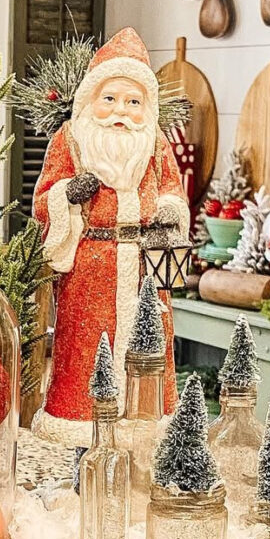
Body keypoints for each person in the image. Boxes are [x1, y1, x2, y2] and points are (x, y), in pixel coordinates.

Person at [31, 28, 189, 447]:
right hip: (91, 267)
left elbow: (172, 189)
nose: (121, 111)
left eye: (133, 102)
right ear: (91, 100)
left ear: (147, 107)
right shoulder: (71, 139)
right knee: (86, 348)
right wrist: (67, 195)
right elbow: (45, 197)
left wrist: (170, 216)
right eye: (111, 99)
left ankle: (143, 439)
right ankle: (82, 442)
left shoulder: (155, 144)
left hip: (146, 265)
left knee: (148, 349)